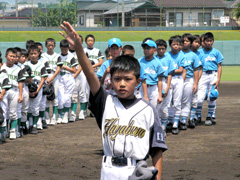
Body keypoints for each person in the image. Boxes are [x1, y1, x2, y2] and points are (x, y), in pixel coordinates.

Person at [59, 21, 168, 180]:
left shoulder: (148, 110)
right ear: (111, 80)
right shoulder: (106, 102)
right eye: (117, 79)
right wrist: (78, 48)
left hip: (136, 169)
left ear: (137, 81)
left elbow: (157, 150)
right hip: (108, 169)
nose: (122, 83)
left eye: (127, 79)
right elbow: (90, 75)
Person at [197, 32, 223, 126]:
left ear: (213, 41)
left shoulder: (216, 52)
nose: (209, 43)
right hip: (202, 74)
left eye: (210, 41)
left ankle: (210, 115)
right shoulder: (199, 52)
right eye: (207, 41)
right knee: (199, 98)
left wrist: (218, 79)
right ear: (203, 41)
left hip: (213, 74)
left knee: (212, 96)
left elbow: (219, 66)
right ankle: (198, 115)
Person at [1, 48, 25, 139]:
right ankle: (5, 131)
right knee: (4, 112)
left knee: (13, 112)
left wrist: (20, 95)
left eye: (14, 57)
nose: (12, 58)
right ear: (6, 56)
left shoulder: (18, 69)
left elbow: (20, 83)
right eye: (10, 56)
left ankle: (13, 130)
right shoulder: (2, 67)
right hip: (5, 91)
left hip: (14, 90)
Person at [24, 45, 48, 134]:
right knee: (28, 107)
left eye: (35, 53)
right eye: (31, 54)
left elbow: (43, 78)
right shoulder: (26, 65)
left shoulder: (42, 65)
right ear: (29, 54)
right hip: (28, 86)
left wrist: (38, 90)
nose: (33, 55)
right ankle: (29, 124)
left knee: (36, 107)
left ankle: (34, 125)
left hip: (38, 86)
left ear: (38, 54)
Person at [166, 35, 187, 135]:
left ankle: (175, 123)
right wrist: (172, 71)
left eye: (178, 44)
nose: (176, 46)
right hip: (169, 79)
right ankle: (170, 121)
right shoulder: (167, 55)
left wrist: (170, 70)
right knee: (168, 101)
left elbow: (180, 70)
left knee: (177, 102)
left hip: (178, 79)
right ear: (170, 45)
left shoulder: (181, 55)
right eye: (174, 44)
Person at [180, 33, 201, 129]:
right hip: (177, 79)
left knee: (189, 100)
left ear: (191, 43)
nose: (185, 43)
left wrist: (196, 83)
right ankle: (176, 120)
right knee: (176, 101)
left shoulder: (193, 55)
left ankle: (187, 119)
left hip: (189, 79)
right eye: (183, 41)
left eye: (187, 41)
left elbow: (196, 70)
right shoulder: (177, 53)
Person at [155, 39, 176, 133]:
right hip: (157, 84)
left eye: (163, 49)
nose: (161, 51)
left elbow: (170, 74)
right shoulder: (154, 59)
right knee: (157, 107)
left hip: (165, 83)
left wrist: (167, 86)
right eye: (159, 49)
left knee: (165, 107)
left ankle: (163, 126)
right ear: (156, 49)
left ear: (165, 49)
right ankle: (159, 127)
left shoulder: (168, 59)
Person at [41, 38, 63, 126]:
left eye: (52, 45)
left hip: (55, 76)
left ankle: (54, 117)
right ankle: (46, 117)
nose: (50, 47)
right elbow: (42, 68)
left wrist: (52, 78)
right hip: (45, 76)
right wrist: (46, 79)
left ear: (54, 46)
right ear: (46, 46)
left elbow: (58, 68)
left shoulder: (57, 56)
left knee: (55, 96)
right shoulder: (42, 56)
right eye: (49, 45)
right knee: (46, 96)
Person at [139, 39, 165, 108]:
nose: (146, 50)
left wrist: (160, 95)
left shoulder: (157, 63)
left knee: (153, 110)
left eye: (148, 48)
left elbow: (160, 80)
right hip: (141, 88)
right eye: (144, 48)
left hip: (153, 89)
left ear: (154, 50)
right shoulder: (140, 61)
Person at [57, 39, 77, 124]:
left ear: (68, 48)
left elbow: (74, 70)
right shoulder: (58, 56)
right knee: (60, 98)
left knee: (67, 98)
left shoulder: (71, 56)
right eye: (62, 48)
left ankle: (65, 115)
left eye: (65, 48)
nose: (64, 50)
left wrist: (64, 67)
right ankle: (59, 115)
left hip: (69, 76)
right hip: (60, 76)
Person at [0, 52, 11, 143]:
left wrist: (2, 94)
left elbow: (5, 86)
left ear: (1, 64)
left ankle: (2, 134)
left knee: (2, 115)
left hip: (1, 98)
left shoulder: (3, 75)